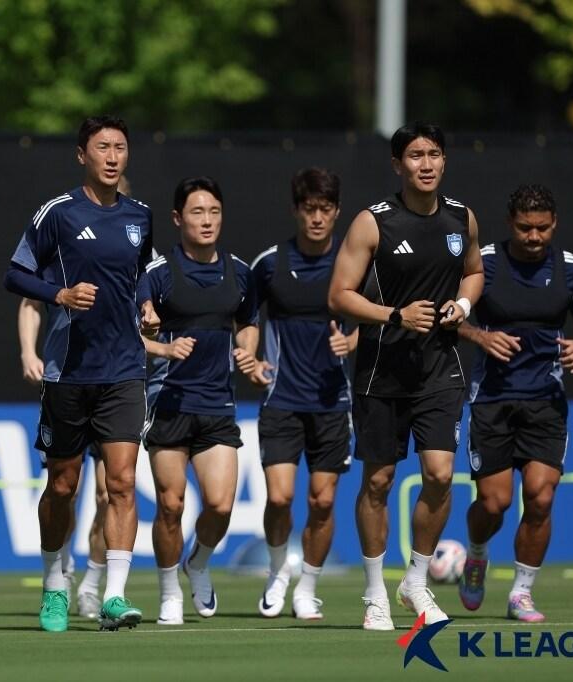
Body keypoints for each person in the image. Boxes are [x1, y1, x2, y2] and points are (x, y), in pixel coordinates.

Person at [4, 115, 157, 632]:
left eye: (120, 147)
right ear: (81, 155)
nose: (112, 157)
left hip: (124, 371)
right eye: (102, 148)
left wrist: (148, 306)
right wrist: (60, 295)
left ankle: (113, 595)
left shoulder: (140, 215)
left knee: (121, 483)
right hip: (69, 371)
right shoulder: (59, 213)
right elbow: (15, 273)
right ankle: (54, 584)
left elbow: (142, 276)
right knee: (64, 485)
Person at [328, 122, 484, 630]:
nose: (426, 163)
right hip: (381, 369)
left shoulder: (462, 218)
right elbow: (339, 296)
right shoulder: (373, 223)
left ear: (444, 161)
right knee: (378, 480)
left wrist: (463, 303)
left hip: (441, 367)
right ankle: (374, 592)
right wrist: (395, 315)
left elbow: (475, 271)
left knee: (440, 475)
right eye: (415, 155)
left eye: (434, 154)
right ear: (398, 164)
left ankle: (414, 581)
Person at [457, 184, 573, 622]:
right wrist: (480, 335)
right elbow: (449, 318)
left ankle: (521, 593)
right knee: (495, 504)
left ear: (554, 224)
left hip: (545, 401)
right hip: (493, 400)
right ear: (509, 225)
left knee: (540, 498)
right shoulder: (484, 265)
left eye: (542, 228)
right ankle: (477, 553)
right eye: (525, 228)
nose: (534, 236)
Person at [139, 176, 258, 625]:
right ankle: (169, 591)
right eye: (197, 212)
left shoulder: (240, 273)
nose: (207, 221)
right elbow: (136, 333)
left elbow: (247, 322)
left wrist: (247, 350)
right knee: (170, 505)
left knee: (221, 505)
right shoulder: (157, 274)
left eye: (214, 212)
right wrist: (162, 345)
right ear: (177, 218)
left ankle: (199, 563)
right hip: (168, 401)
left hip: (217, 404)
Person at [249, 168, 356, 620]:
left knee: (324, 501)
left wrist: (352, 342)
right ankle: (278, 570)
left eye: (325, 210)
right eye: (309, 209)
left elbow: (377, 321)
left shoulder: (354, 264)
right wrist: (249, 358)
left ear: (336, 212)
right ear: (296, 210)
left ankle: (307, 587)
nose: (317, 218)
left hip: (333, 403)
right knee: (278, 498)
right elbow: (248, 320)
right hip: (281, 400)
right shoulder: (269, 263)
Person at [18, 296, 109, 618]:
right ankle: (62, 572)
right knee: (65, 490)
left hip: (115, 385)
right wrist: (29, 351)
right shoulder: (57, 249)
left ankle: (92, 586)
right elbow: (30, 300)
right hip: (67, 384)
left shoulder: (138, 249)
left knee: (109, 494)